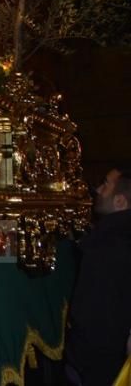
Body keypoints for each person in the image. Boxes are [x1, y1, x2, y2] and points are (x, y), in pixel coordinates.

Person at [65, 165, 131, 385]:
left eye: (105, 185)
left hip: (98, 366)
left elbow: (92, 314)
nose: (97, 189)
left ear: (120, 201)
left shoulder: (107, 245)